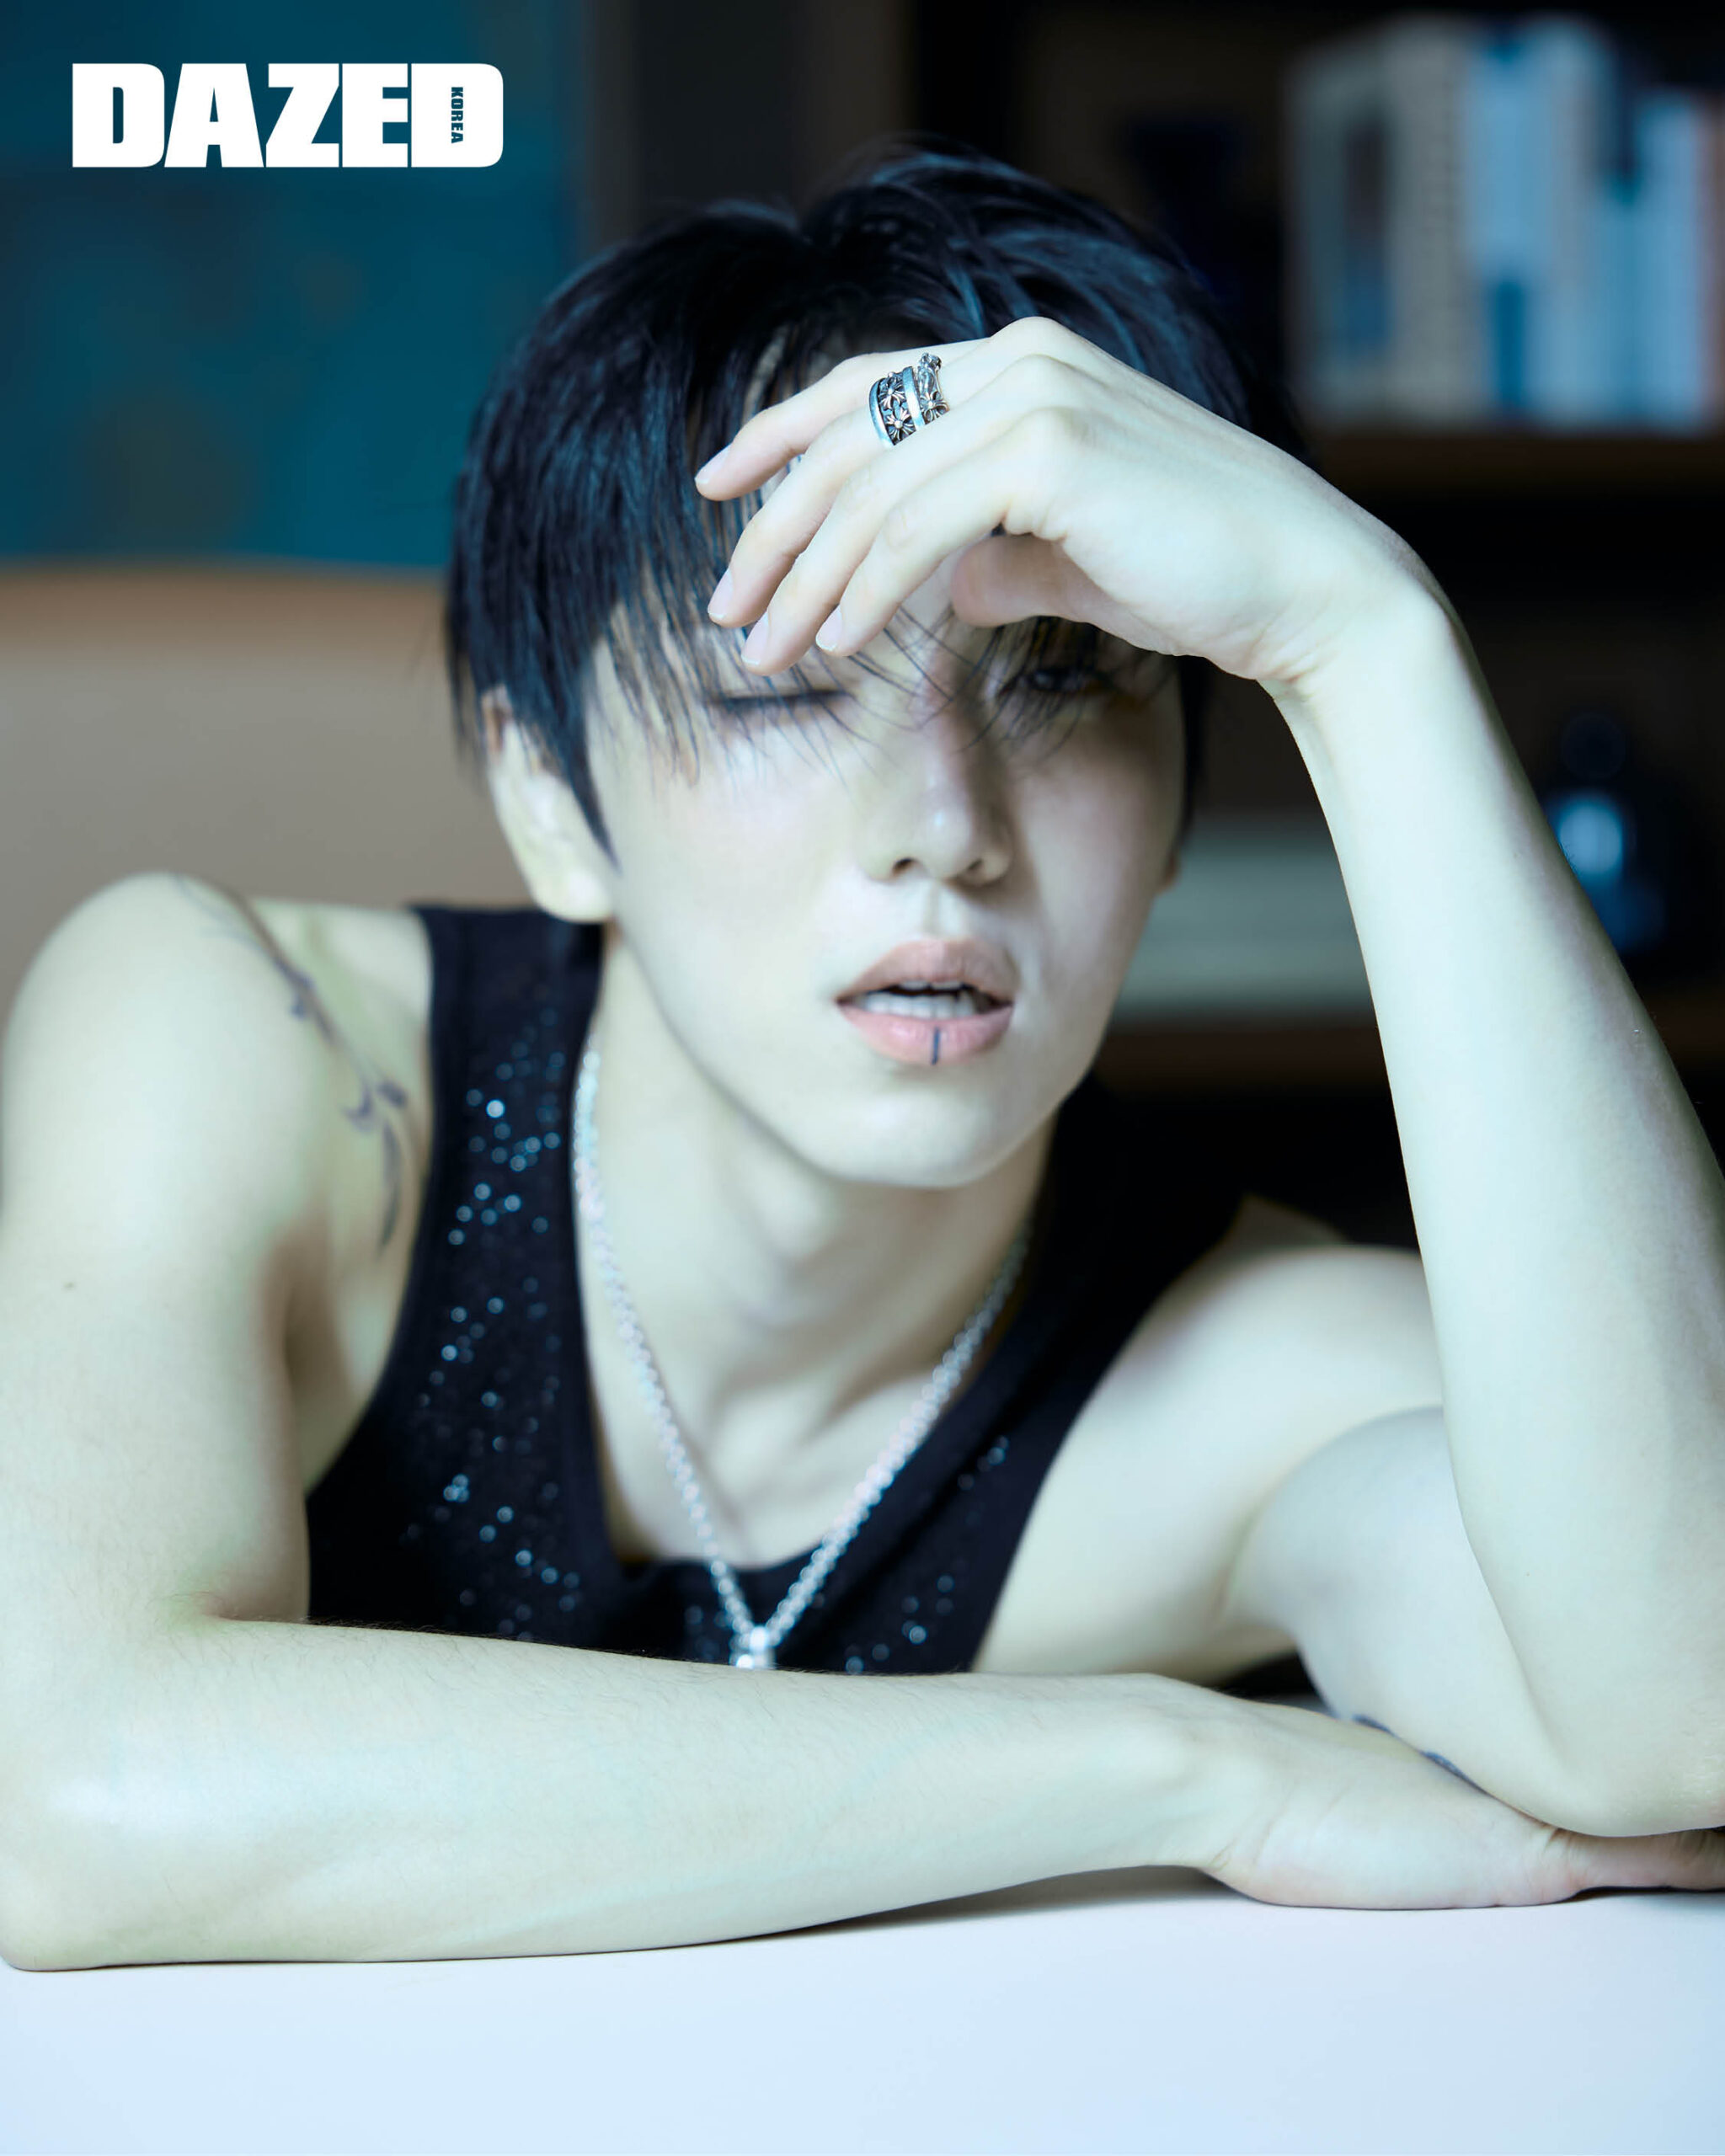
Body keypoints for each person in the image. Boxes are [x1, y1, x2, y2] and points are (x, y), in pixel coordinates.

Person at [2, 147, 1722, 1973]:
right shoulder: (243, 1044)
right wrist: (1186, 1767)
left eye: (1060, 677)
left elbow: (1680, 1701)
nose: (941, 828)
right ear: (546, 797)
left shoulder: (1232, 1368)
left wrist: (1363, 642)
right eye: (784, 676)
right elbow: (77, 1796)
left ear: (1174, 815)